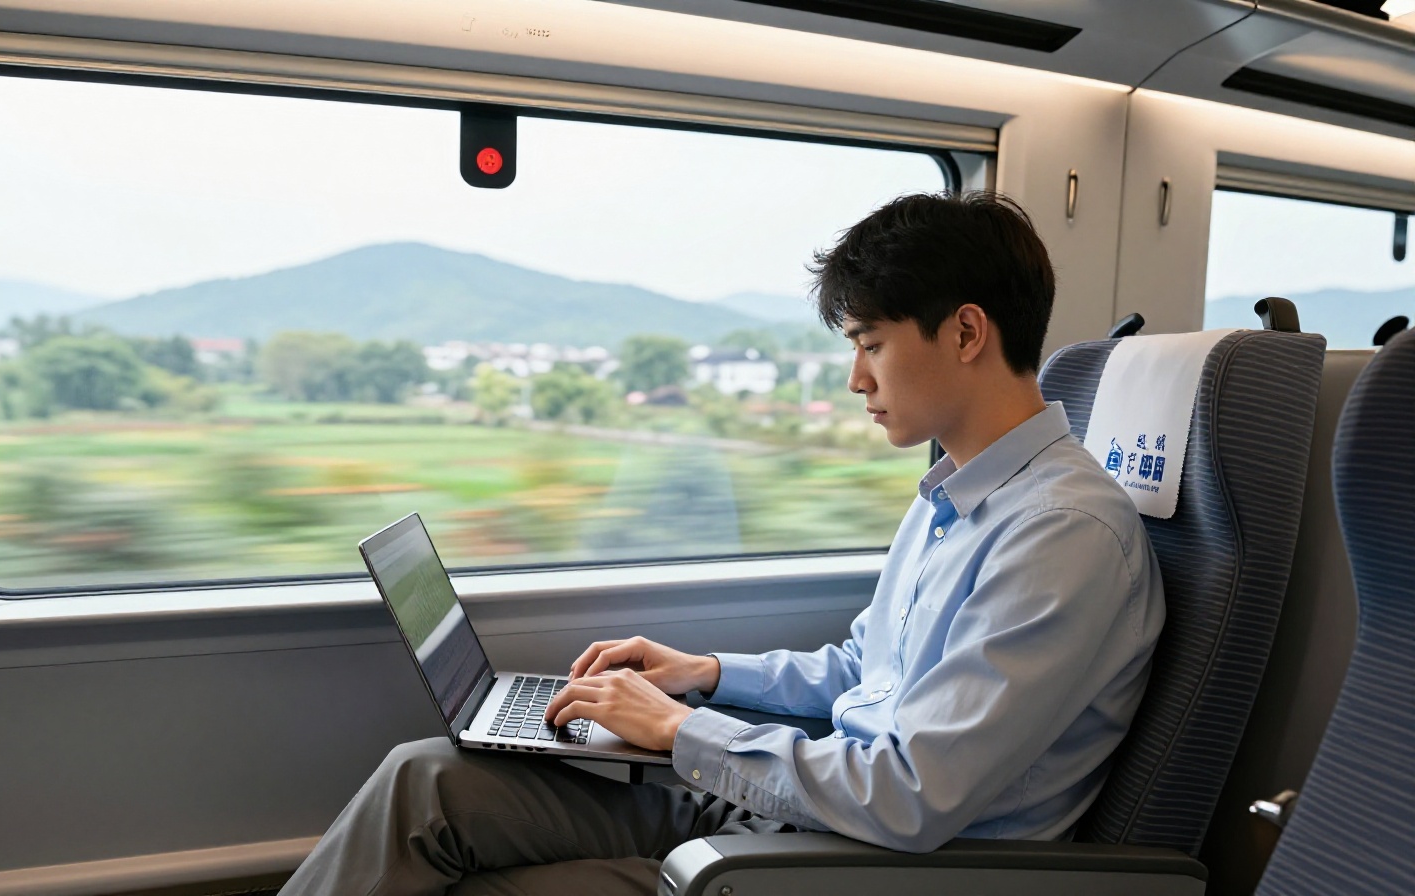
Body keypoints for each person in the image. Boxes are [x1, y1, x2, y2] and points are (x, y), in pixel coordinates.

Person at [278, 191, 1165, 896]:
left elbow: (912, 796)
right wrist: (704, 675)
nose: (857, 379)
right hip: (805, 809)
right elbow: (867, 674)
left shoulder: (1062, 535)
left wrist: (677, 730)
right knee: (426, 782)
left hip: (877, 865)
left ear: (966, 332)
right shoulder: (954, 494)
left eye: (873, 344)